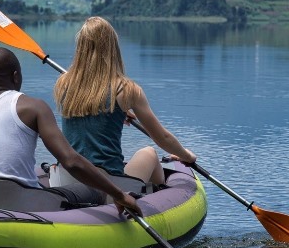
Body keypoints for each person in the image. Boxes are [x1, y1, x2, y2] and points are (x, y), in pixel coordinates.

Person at [0, 47, 142, 216]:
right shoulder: (33, 107)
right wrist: (119, 194)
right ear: (16, 76)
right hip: (26, 205)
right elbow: (71, 161)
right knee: (94, 190)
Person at [54, 16, 197, 188]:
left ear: (81, 48)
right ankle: (157, 199)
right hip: (108, 186)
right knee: (149, 153)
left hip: (66, 180)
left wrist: (117, 112)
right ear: (112, 48)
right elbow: (162, 137)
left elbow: (89, 112)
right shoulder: (127, 90)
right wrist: (186, 156)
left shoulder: (63, 83)